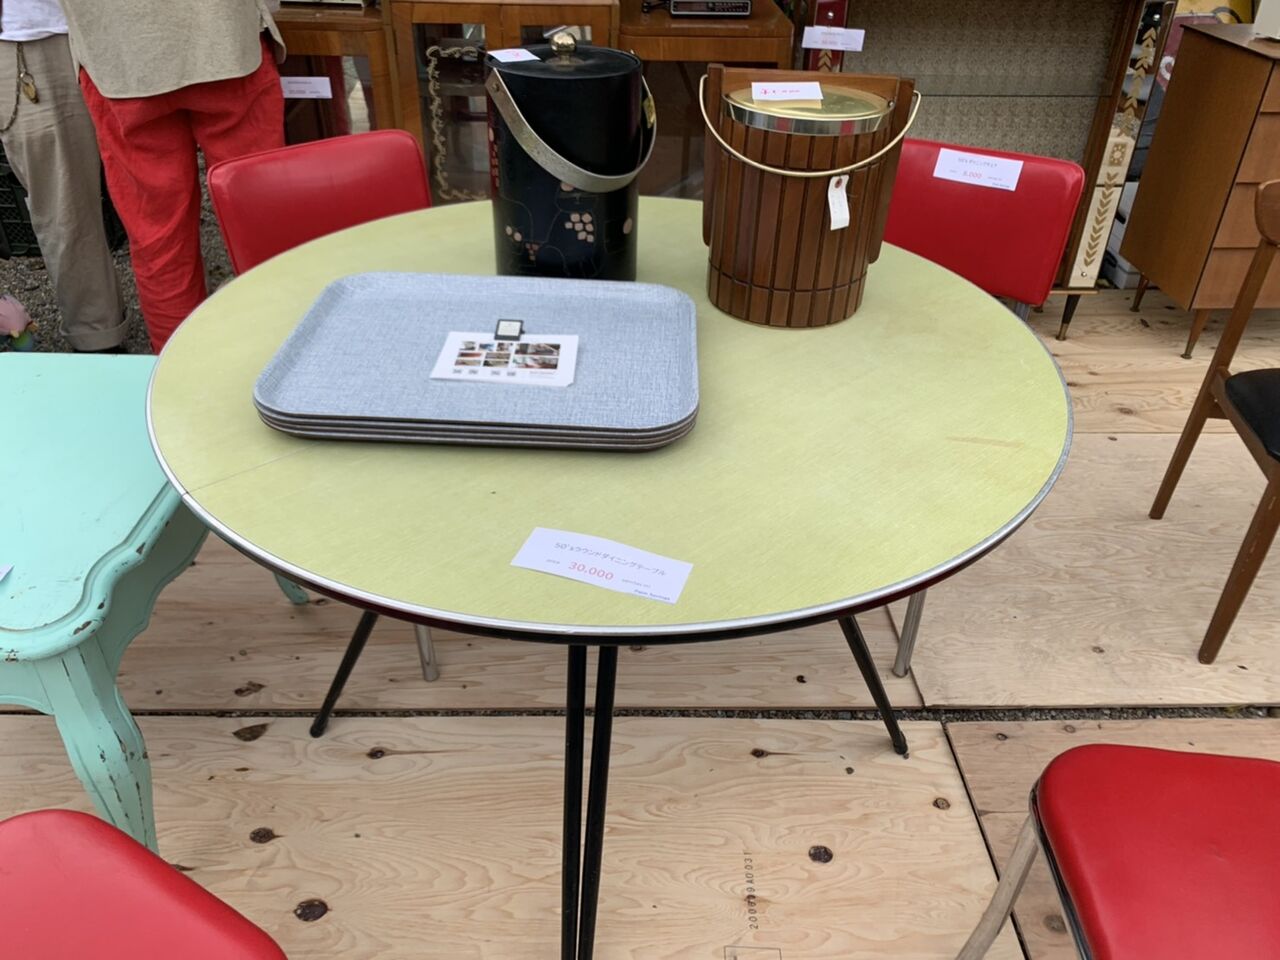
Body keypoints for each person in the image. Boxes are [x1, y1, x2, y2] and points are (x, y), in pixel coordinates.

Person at [59, 0, 286, 352]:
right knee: (261, 221)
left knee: (158, 240)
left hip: (118, 52)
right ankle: (284, 350)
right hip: (224, 36)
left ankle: (179, 368)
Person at [0, 0, 127, 352]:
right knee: (65, 204)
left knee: (159, 192)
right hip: (35, 35)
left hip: (126, 26)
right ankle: (97, 336)